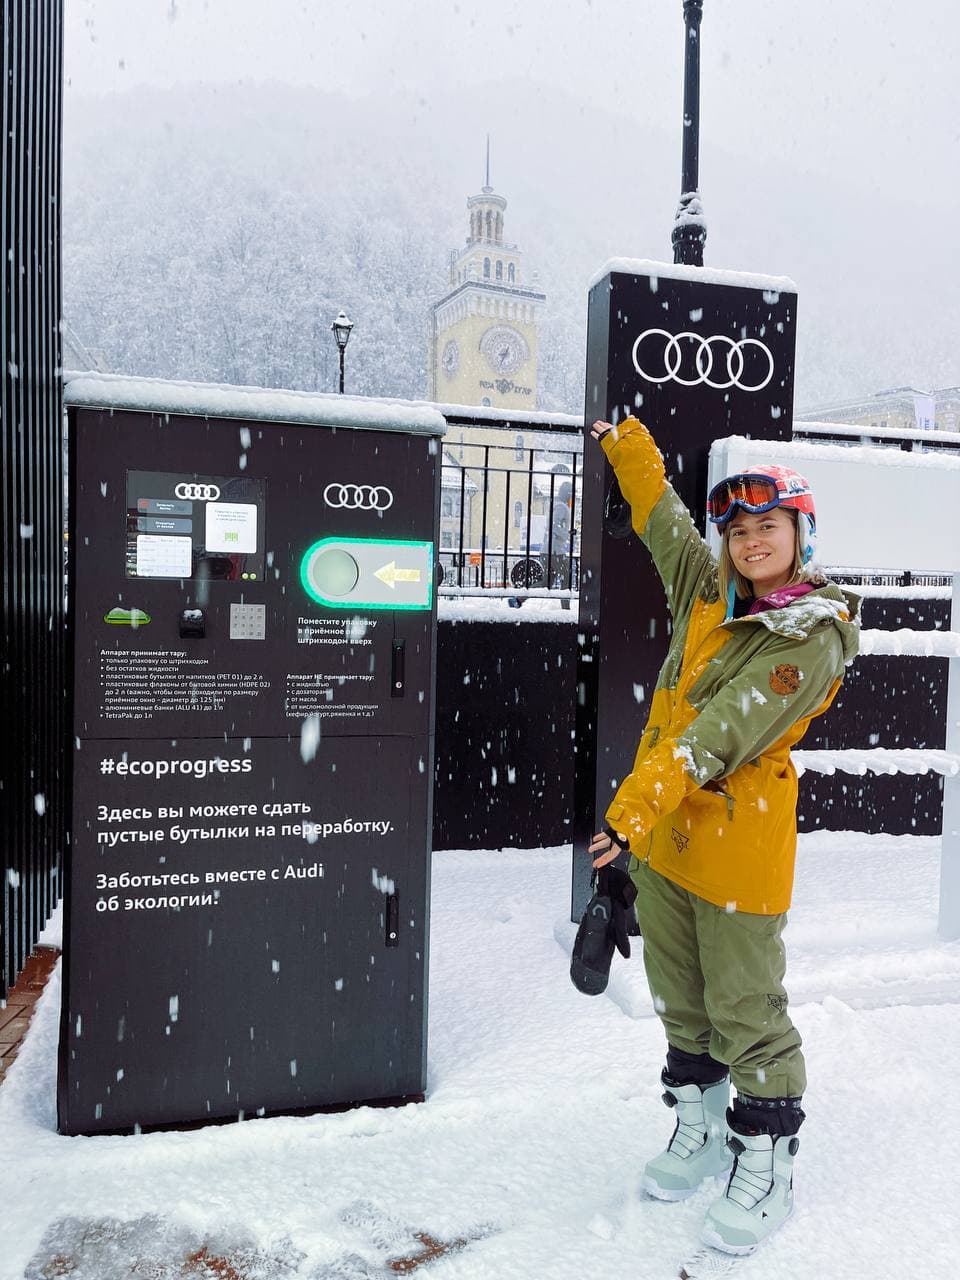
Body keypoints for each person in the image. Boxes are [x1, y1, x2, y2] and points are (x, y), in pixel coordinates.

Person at [586, 416, 860, 1256]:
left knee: (747, 1010)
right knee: (682, 1000)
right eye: (738, 531)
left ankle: (767, 1162)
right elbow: (663, 520)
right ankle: (700, 1127)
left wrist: (631, 810)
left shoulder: (810, 635)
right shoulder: (708, 594)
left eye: (768, 527)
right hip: (669, 845)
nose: (750, 543)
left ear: (801, 534)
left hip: (738, 854)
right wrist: (627, 447)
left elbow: (716, 736)